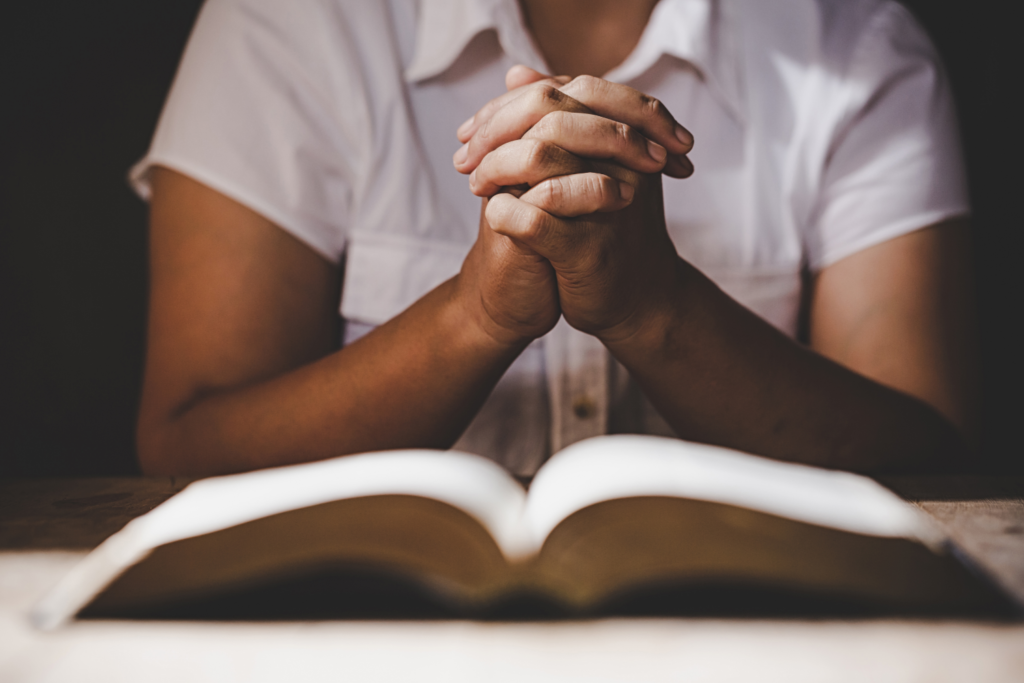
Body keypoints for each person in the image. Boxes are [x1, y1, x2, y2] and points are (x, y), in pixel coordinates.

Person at [133, 0, 978, 477]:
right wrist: (475, 316)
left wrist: (656, 307)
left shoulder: (854, 47)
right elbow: (185, 441)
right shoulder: (290, 25)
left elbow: (930, 458)